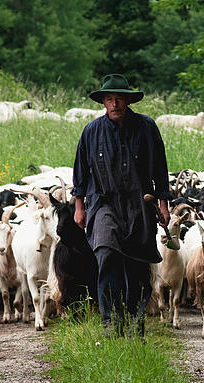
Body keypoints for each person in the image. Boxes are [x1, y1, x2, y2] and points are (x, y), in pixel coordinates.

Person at [71, 74, 172, 337]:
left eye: (119, 98)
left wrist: (164, 204)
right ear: (103, 102)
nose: (114, 104)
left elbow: (160, 168)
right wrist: (79, 207)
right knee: (106, 254)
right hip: (103, 203)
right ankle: (111, 321)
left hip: (140, 204)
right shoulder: (92, 131)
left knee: (138, 266)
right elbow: (81, 171)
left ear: (128, 100)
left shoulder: (147, 127)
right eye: (109, 99)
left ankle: (135, 320)